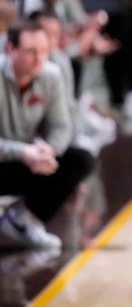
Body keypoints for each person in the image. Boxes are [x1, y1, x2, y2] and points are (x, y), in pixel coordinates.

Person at [0, 21, 94, 250]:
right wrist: (23, 152)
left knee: (81, 160)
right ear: (10, 49)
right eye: (31, 51)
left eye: (44, 51)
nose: (39, 58)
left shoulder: (51, 75)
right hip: (7, 158)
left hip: (29, 161)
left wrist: (49, 151)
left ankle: (26, 221)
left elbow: (62, 127)